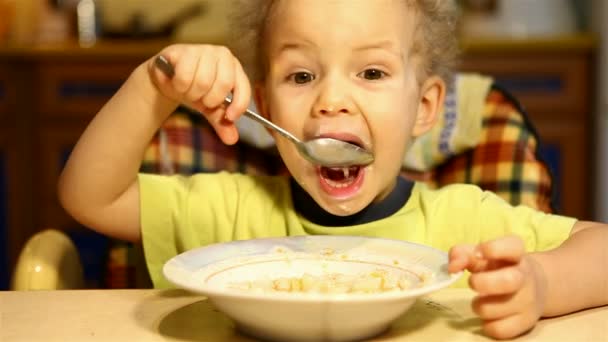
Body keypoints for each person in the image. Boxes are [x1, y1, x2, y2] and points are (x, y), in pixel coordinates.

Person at [58, 0, 607, 339]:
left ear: (424, 108)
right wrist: (154, 87)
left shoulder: (463, 223)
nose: (332, 100)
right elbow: (89, 198)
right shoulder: (230, 214)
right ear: (267, 111)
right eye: (300, 77)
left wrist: (540, 283)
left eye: (370, 71)